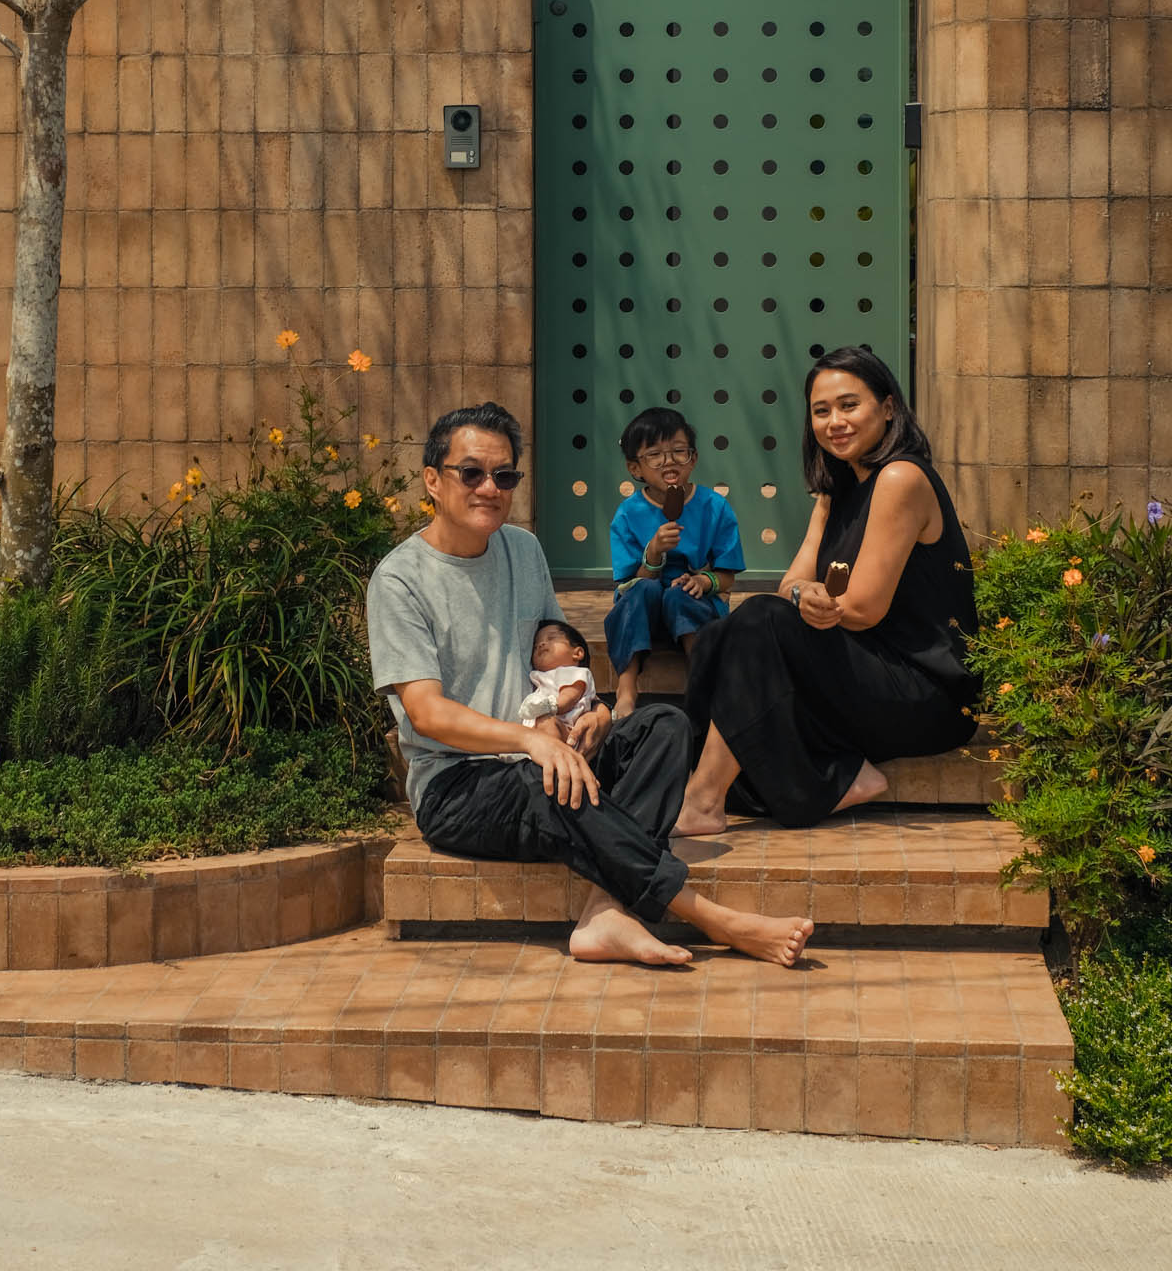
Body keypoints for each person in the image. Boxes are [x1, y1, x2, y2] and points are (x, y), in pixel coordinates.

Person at [366, 401, 813, 968]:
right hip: (459, 784)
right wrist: (529, 740)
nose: (489, 488)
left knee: (664, 727)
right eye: (471, 473)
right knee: (548, 783)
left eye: (504, 476)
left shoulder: (523, 549)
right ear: (433, 479)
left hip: (547, 752)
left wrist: (593, 712)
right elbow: (426, 714)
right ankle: (713, 918)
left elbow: (557, 659)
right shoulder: (400, 579)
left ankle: (606, 913)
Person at [675, 347, 981, 835]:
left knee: (758, 621)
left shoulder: (901, 478)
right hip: (866, 671)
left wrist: (804, 601)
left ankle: (705, 800)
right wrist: (803, 596)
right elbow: (791, 583)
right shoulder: (837, 489)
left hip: (926, 693)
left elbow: (861, 609)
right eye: (822, 411)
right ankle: (839, 777)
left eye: (849, 405)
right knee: (718, 636)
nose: (834, 421)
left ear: (888, 408)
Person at [603, 406, 745, 720]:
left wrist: (704, 581)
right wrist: (653, 553)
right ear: (635, 468)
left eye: (678, 451)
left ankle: (700, 682)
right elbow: (628, 582)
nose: (669, 461)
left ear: (693, 459)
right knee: (642, 591)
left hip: (694, 605)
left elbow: (728, 576)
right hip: (647, 607)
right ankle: (626, 692)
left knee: (681, 594)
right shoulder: (628, 514)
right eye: (654, 454)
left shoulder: (714, 507)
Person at [516, 619, 597, 741]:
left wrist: (550, 706)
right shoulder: (540, 677)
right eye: (535, 645)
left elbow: (569, 697)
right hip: (537, 735)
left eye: (551, 638)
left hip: (567, 729)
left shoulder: (573, 672)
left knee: (546, 723)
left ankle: (552, 757)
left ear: (577, 653)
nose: (541, 644)